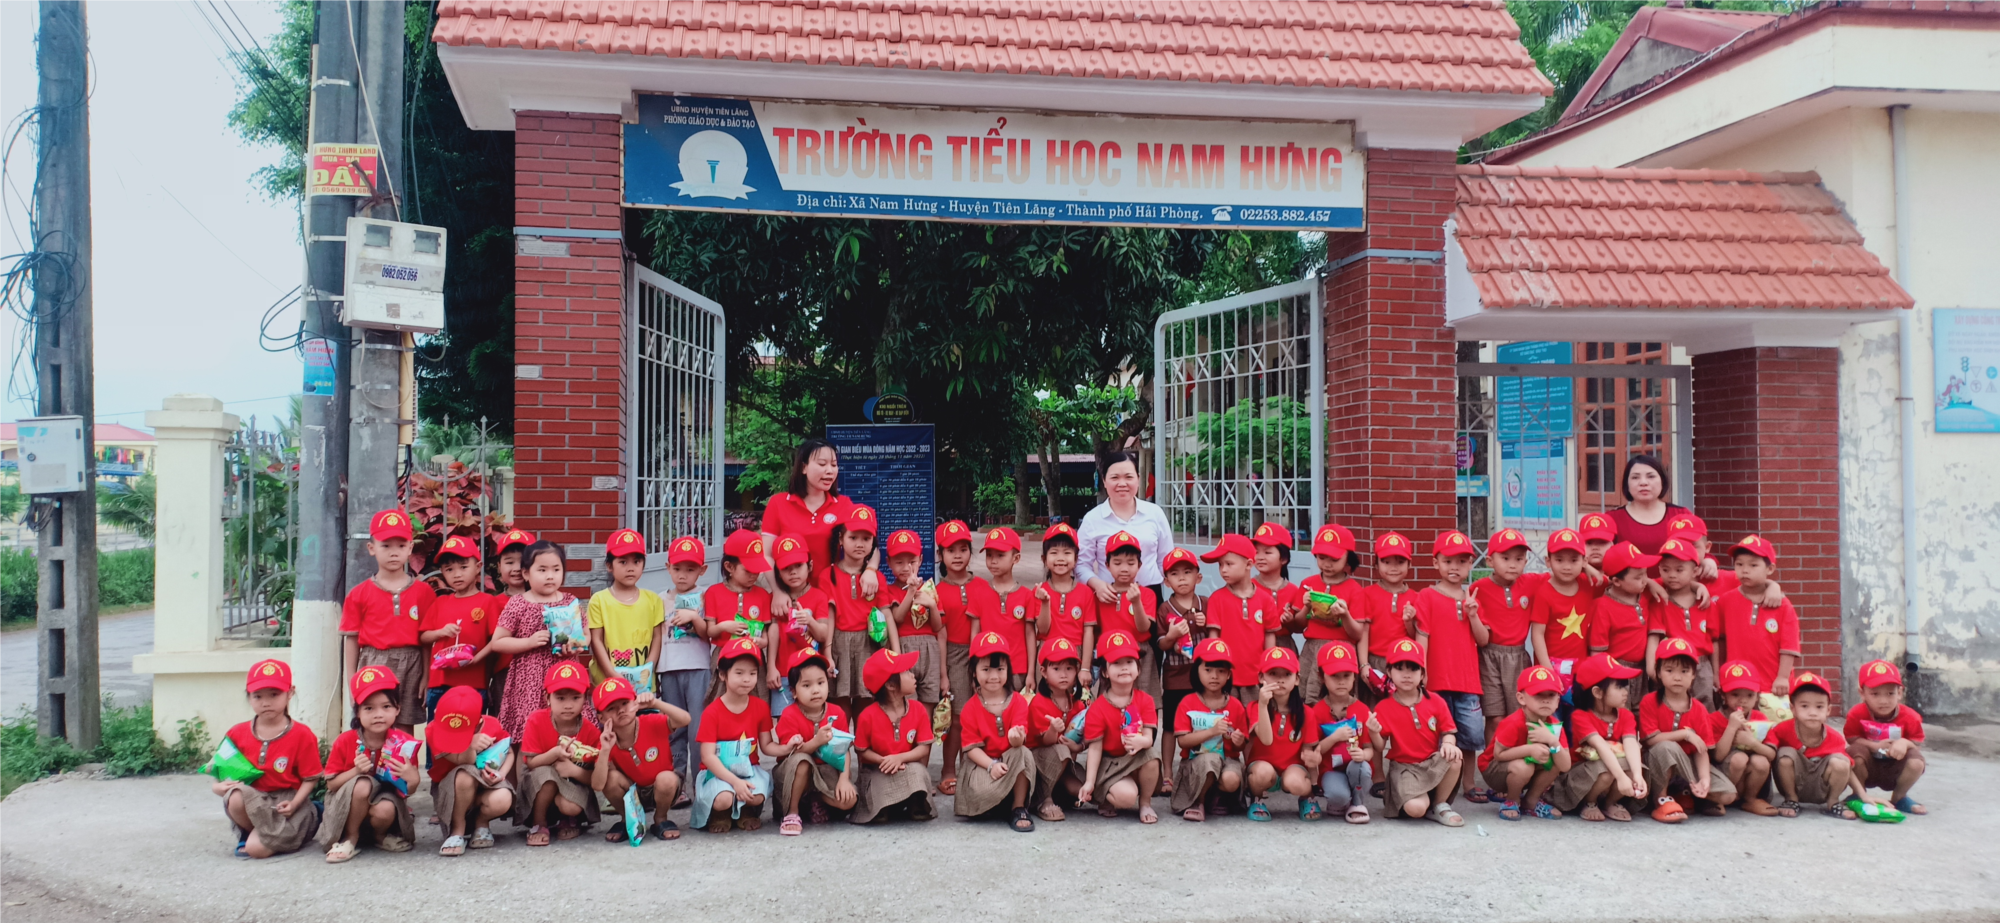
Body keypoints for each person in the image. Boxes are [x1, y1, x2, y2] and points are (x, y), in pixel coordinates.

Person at [341, 510, 436, 735]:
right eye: (386, 545)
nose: (394, 552)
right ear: (372, 548)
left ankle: (404, 761)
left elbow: (426, 640)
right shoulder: (358, 594)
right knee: (373, 725)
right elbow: (351, 639)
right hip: (374, 662)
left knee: (404, 727)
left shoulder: (424, 592)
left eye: (401, 545)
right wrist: (352, 681)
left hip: (412, 663)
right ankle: (372, 760)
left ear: (410, 548)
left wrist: (426, 675)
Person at [1412, 531, 1490, 805]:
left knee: (1470, 737)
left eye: (1461, 561)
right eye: (1448, 561)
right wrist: (1421, 672)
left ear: (1471, 564)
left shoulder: (1474, 596)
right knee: (1437, 737)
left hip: (1468, 681)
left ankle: (1468, 783)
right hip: (1437, 681)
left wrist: (1473, 614)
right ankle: (1435, 782)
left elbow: (1484, 639)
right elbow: (1422, 636)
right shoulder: (1427, 596)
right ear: (1436, 563)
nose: (1454, 567)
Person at [215, 660, 322, 859]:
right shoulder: (237, 733)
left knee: (256, 850)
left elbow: (311, 777)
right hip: (254, 800)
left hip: (287, 802)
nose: (266, 702)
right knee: (235, 797)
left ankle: (309, 818)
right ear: (249, 697)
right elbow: (220, 768)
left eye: (274, 695)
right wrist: (217, 787)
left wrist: (295, 803)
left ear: (290, 693)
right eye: (258, 696)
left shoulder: (302, 734)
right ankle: (250, 833)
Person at [319, 666, 420, 863]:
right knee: (362, 783)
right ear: (357, 712)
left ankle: (379, 836)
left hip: (379, 806)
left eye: (386, 707)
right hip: (346, 806)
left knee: (386, 809)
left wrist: (413, 779)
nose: (378, 714)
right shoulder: (345, 741)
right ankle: (350, 838)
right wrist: (356, 771)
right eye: (369, 708)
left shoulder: (404, 744)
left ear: (398, 709)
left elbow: (407, 791)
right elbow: (331, 784)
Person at [1366, 639, 1463, 826]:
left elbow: (1448, 731)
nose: (1406, 675)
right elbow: (1379, 746)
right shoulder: (1384, 707)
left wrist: (1449, 743)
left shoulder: (1436, 701)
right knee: (1416, 809)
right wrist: (1373, 732)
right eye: (1399, 668)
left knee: (1454, 757)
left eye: (1413, 669)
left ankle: (1439, 805)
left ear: (1422, 674)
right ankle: (1420, 800)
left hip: (1431, 762)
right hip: (1405, 769)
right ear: (1389, 672)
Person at [932, 520, 999, 786]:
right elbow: (940, 634)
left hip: (983, 654)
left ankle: (972, 768)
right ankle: (949, 769)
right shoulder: (936, 591)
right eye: (950, 550)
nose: (957, 555)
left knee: (982, 715)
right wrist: (943, 673)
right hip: (954, 656)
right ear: (940, 555)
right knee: (958, 718)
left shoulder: (983, 586)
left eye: (963, 549)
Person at [1638, 638, 1735, 822]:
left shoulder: (1699, 708)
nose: (1677, 677)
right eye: (1669, 670)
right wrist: (1685, 734)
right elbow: (1651, 740)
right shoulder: (1649, 701)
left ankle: (1687, 793)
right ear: (1658, 672)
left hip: (1686, 765)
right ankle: (1661, 800)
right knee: (1667, 747)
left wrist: (1705, 779)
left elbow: (1701, 750)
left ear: (1693, 675)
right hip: (1656, 763)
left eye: (1684, 671)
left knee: (1728, 794)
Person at [761, 439, 871, 600]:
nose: (830, 471)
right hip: (790, 597)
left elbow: (870, 544)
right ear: (803, 467)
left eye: (834, 465)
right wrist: (778, 592)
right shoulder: (778, 503)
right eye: (822, 464)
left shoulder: (844, 505)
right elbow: (766, 555)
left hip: (832, 596)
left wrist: (871, 570)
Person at [878, 529, 945, 786]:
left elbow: (937, 626)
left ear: (921, 559)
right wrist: (910, 593)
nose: (906, 567)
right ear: (888, 563)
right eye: (899, 562)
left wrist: (931, 604)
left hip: (929, 650)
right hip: (904, 650)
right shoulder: (889, 590)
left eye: (912, 561)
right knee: (904, 712)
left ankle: (922, 775)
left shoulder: (930, 588)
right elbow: (897, 618)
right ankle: (902, 773)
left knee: (925, 716)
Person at [589, 676, 691, 842]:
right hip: (631, 791)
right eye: (611, 708)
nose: (620, 711)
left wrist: (655, 703)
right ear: (601, 718)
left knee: (666, 778)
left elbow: (685, 719)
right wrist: (605, 751)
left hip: (661, 788)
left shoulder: (650, 721)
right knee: (611, 778)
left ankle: (661, 818)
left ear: (635, 703)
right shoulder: (606, 739)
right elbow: (598, 785)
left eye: (625, 703)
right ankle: (627, 819)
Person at [769, 649, 858, 834]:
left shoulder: (836, 712)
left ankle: (816, 798)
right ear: (793, 692)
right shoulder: (789, 715)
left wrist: (844, 779)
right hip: (794, 773)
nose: (816, 690)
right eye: (807, 685)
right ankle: (792, 812)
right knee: (802, 762)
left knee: (849, 801)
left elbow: (844, 751)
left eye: (820, 682)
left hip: (825, 772)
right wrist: (816, 741)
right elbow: (793, 754)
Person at [955, 632, 1038, 831]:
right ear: (974, 672)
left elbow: (1019, 741)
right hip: (983, 765)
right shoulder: (970, 708)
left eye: (1000, 669)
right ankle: (999, 802)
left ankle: (1018, 807)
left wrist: (1016, 738)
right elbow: (971, 748)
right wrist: (991, 765)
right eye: (986, 669)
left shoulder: (1018, 701)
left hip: (1010, 762)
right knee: (980, 793)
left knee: (1023, 753)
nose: (993, 676)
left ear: (1008, 670)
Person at [1078, 631, 1163, 823]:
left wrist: (1142, 741)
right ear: (1105, 672)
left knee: (1151, 756)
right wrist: (1090, 782)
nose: (1124, 667)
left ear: (1138, 668)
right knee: (1126, 797)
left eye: (1129, 662)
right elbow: (1095, 749)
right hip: (1110, 763)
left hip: (1135, 758)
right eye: (1116, 663)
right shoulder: (1098, 707)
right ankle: (1105, 795)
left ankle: (1146, 803)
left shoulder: (1146, 700)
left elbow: (1149, 738)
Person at [693, 638, 776, 833]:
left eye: (752, 673)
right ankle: (720, 813)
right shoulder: (712, 712)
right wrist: (735, 782)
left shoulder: (761, 707)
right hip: (716, 771)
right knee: (724, 798)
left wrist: (789, 746)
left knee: (756, 795)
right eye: (739, 673)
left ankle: (746, 811)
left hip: (749, 769)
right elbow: (707, 756)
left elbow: (767, 745)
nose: (747, 679)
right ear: (723, 675)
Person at [518, 661, 602, 844]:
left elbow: (596, 780)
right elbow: (531, 763)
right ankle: (539, 822)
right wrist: (555, 754)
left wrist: (573, 770)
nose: (568, 705)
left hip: (573, 783)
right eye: (560, 698)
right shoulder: (536, 720)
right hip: (539, 783)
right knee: (547, 775)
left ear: (585, 699)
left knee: (570, 806)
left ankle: (569, 819)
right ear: (547, 698)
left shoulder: (591, 731)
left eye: (575, 698)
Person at [850, 648, 937, 824]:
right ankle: (884, 808)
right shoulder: (867, 715)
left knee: (918, 771)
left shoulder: (918, 709)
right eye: (906, 672)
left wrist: (899, 758)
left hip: (906, 766)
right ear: (890, 685)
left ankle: (914, 804)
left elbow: (924, 747)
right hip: (879, 769)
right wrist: (884, 761)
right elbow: (861, 750)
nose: (913, 675)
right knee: (877, 782)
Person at [426, 685, 515, 856]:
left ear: (478, 724)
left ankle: (481, 824)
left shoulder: (491, 724)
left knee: (503, 798)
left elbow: (509, 751)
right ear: (437, 713)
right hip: (451, 791)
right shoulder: (434, 729)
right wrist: (470, 744)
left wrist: (501, 774)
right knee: (464, 774)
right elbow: (463, 761)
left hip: (483, 787)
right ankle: (457, 829)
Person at [1076, 452, 1176, 602]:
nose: (1122, 483)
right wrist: (1097, 585)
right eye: (1115, 477)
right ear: (1104, 481)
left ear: (1138, 479)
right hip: (1109, 595)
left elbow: (1167, 559)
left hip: (1150, 595)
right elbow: (1081, 564)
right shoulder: (1092, 519)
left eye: (1128, 477)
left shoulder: (1155, 513)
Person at [1557, 654, 1646, 822]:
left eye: (1625, 686)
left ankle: (1610, 803)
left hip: (1609, 768)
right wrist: (1621, 777)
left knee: (1632, 768)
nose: (1626, 692)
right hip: (1582, 774)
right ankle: (1589, 802)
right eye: (1619, 687)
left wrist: (1637, 775)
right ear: (1597, 692)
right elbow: (1600, 746)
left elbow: (1631, 743)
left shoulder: (1625, 715)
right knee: (1606, 773)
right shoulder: (1580, 716)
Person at [1768, 671, 1870, 819]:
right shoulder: (1781, 730)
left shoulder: (1834, 737)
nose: (1812, 713)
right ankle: (1791, 800)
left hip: (1821, 788)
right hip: (1793, 785)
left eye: (1819, 707)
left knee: (1841, 762)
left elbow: (1848, 769)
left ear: (1828, 710)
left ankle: (1833, 803)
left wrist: (1863, 796)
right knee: (1785, 754)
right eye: (1804, 706)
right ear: (1793, 709)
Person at [657, 536, 713, 800]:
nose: (683, 575)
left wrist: (694, 618)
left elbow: (709, 633)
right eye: (677, 568)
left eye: (690, 569)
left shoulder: (705, 596)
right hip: (669, 669)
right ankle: (676, 783)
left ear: (702, 570)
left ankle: (701, 782)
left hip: (698, 667)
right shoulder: (659, 599)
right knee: (674, 727)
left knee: (698, 728)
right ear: (667, 567)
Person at [1470, 528, 1542, 729]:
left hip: (1519, 656)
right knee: (1495, 717)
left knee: (1520, 714)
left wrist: (1588, 568)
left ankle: (1517, 749)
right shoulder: (1478, 588)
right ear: (1490, 561)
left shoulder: (1532, 583)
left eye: (1518, 559)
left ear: (1526, 561)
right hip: (1489, 657)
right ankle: (1492, 751)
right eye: (1505, 558)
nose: (1512, 564)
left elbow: (1562, 575)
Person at [1478, 664, 1570, 821]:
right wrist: (1529, 750)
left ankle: (1531, 801)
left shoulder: (1554, 725)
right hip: (1496, 770)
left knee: (1556, 758)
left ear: (1558, 700)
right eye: (1538, 695)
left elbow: (1565, 765)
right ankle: (1512, 800)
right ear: (1521, 698)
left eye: (1551, 695)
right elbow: (1499, 755)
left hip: (1528, 770)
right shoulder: (1513, 722)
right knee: (1523, 766)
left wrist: (1552, 741)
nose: (1546, 700)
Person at [1171, 638, 1250, 822]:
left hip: (1227, 761)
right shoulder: (1188, 702)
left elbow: (1240, 747)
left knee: (1231, 779)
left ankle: (1216, 795)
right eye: (1208, 670)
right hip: (1196, 762)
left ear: (1228, 675)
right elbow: (1182, 741)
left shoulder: (1235, 705)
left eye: (1221, 671)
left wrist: (1238, 741)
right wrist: (1212, 732)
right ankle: (1197, 802)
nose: (1214, 676)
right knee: (1210, 760)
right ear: (1197, 671)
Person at [822, 505, 890, 718]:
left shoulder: (877, 578)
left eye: (866, 539)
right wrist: (827, 653)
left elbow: (886, 614)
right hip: (839, 644)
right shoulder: (828, 575)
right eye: (853, 538)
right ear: (841, 539)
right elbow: (829, 616)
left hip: (868, 645)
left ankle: (863, 742)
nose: (860, 544)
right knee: (839, 707)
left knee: (867, 706)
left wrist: (894, 653)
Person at [419, 535, 497, 720]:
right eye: (449, 569)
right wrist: (440, 632)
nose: (457, 574)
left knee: (472, 733)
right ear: (442, 572)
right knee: (437, 733)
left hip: (474, 683)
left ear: (478, 567)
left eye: (463, 567)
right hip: (440, 683)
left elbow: (496, 641)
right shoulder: (440, 602)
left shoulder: (487, 602)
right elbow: (423, 637)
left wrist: (477, 660)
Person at [1716, 535, 1801, 696]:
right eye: (1739, 564)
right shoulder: (1725, 601)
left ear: (1770, 569)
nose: (1745, 570)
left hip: (1772, 687)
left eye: (1753, 565)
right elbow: (1720, 641)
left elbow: (1789, 647)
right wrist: (1720, 673)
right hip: (1737, 685)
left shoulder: (1783, 605)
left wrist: (1782, 677)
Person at [1245, 646, 1321, 822]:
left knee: (1295, 782)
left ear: (1297, 679)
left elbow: (1309, 751)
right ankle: (1257, 799)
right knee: (1262, 773)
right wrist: (1263, 705)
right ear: (1261, 677)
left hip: (1293, 767)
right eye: (1273, 674)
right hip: (1262, 766)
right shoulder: (1255, 707)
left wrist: (1314, 780)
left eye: (1287, 674)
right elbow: (1266, 739)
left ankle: (1307, 798)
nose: (1280, 680)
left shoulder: (1306, 712)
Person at [1844, 658, 1928, 815]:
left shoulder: (1911, 717)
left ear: (1899, 693)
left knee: (1917, 761)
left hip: (1895, 767)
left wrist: (1904, 743)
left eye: (1890, 693)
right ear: (1862, 694)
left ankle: (1899, 797)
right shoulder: (1856, 714)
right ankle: (1859, 794)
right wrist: (1874, 746)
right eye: (1875, 694)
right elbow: (1852, 738)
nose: (1883, 701)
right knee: (1852, 752)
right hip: (1868, 766)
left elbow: (1916, 743)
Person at [1200, 534, 1278, 704]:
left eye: (1229, 564)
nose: (1223, 570)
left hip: (1257, 678)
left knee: (1258, 717)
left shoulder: (1266, 600)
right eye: (1220, 565)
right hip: (1226, 678)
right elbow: (1214, 639)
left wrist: (1269, 669)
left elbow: (1270, 637)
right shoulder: (1216, 599)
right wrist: (1216, 671)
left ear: (1249, 564)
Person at [588, 529, 666, 693]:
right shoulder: (599, 600)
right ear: (609, 565)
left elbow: (657, 638)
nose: (630, 568)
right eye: (623, 562)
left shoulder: (653, 600)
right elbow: (596, 641)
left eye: (636, 561)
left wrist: (647, 671)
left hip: (643, 685)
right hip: (608, 684)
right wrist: (613, 675)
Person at [1306, 641, 1374, 824]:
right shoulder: (1317, 711)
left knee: (1361, 768)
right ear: (1322, 677)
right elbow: (1315, 751)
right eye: (1334, 676)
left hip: (1356, 767)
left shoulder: (1362, 709)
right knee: (1338, 797)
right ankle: (1342, 800)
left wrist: (1363, 755)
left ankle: (1358, 803)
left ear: (1354, 677)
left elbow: (1370, 748)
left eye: (1346, 675)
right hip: (1331, 770)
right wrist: (1334, 738)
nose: (1341, 681)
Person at [1299, 525, 1367, 704]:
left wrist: (1345, 615)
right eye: (1322, 558)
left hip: (1343, 651)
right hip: (1312, 648)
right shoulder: (1308, 584)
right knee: (1308, 697)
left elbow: (1357, 633)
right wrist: (1306, 608)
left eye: (1334, 559)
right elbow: (1297, 626)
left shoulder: (1355, 590)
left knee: (1341, 699)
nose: (1327, 564)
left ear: (1347, 558)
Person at [707, 529, 777, 703]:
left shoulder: (762, 595)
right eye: (748, 570)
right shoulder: (714, 592)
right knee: (721, 699)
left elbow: (765, 634)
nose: (754, 575)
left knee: (757, 700)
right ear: (729, 567)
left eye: (757, 570)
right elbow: (710, 631)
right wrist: (725, 626)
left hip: (754, 657)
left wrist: (762, 642)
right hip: (724, 656)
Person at [1647, 536, 1720, 702]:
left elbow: (1714, 640)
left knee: (1704, 706)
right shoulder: (1659, 601)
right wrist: (1651, 667)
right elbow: (1654, 636)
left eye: (1679, 570)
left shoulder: (1705, 602)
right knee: (1668, 705)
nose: (1672, 575)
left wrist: (1716, 674)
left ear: (1695, 571)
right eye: (1665, 570)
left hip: (1701, 666)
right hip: (1670, 665)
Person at [768, 533, 833, 712]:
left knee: (813, 717)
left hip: (812, 672)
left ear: (809, 566)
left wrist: (810, 621)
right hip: (783, 672)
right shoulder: (775, 599)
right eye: (786, 568)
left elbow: (823, 634)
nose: (793, 572)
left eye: (798, 565)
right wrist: (771, 667)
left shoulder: (819, 596)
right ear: (778, 572)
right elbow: (773, 631)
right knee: (784, 718)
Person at [1529, 528, 1600, 688]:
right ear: (1548, 561)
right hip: (1552, 665)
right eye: (1559, 560)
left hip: (1581, 668)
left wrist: (1588, 568)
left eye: (1574, 560)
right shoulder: (1544, 593)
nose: (1567, 567)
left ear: (1584, 561)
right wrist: (1547, 668)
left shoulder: (1588, 583)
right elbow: (1537, 634)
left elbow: (1610, 580)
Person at [1027, 637, 1088, 822]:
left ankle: (1059, 792)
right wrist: (1053, 730)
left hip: (1065, 763)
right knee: (1061, 750)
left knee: (1081, 790)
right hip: (1038, 760)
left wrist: (1078, 747)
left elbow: (1084, 738)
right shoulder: (1039, 702)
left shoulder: (1077, 703)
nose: (1064, 675)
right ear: (1043, 672)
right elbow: (1044, 741)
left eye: (1069, 668)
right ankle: (1044, 799)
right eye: (1056, 669)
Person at [1591, 542, 1658, 707]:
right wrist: (1604, 680)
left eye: (1645, 574)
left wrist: (1698, 585)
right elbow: (1597, 652)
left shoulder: (1645, 594)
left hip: (1643, 670)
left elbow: (1676, 582)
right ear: (1616, 581)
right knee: (1619, 713)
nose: (1645, 580)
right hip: (1616, 672)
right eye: (1638, 577)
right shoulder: (1603, 606)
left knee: (1642, 711)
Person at [1712, 660, 1781, 816]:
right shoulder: (1714, 719)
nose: (1742, 700)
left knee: (1761, 761)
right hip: (1726, 773)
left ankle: (1750, 799)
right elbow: (1718, 756)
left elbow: (1771, 754)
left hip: (1752, 780)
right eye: (1735, 694)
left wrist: (1752, 743)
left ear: (1757, 697)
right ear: (1722, 695)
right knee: (1739, 758)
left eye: (1749, 695)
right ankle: (1723, 797)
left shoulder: (1760, 718)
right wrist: (1731, 728)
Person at [1096, 530, 1159, 700]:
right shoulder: (1102, 594)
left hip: (1140, 653)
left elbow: (1144, 628)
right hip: (1110, 653)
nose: (1124, 569)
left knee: (1143, 699)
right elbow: (1095, 630)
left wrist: (1136, 602)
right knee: (1109, 702)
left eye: (1131, 563)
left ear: (1139, 565)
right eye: (1117, 563)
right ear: (1107, 565)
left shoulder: (1146, 594)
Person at [488, 528, 535, 714]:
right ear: (499, 566)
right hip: (504, 675)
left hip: (537, 671)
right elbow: (489, 648)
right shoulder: (493, 603)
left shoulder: (547, 600)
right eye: (509, 562)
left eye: (522, 562)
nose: (516, 568)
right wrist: (486, 683)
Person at [982, 527, 1037, 688]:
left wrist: (1031, 673)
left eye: (1000, 555)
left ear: (1016, 558)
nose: (993, 561)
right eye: (989, 555)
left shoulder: (1026, 595)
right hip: (988, 669)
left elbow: (1030, 634)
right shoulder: (979, 592)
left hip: (1018, 669)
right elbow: (975, 635)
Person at [1606, 454, 1689, 555]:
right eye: (1635, 477)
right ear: (1627, 483)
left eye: (1651, 476)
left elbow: (1699, 550)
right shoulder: (1611, 519)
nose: (1643, 483)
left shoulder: (1681, 515)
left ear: (1662, 480)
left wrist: (1706, 559)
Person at [1035, 522, 1096, 657]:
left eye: (1067, 553)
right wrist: (1045, 602)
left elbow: (1088, 632)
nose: (1061, 558)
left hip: (1076, 656)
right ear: (1044, 559)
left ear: (1076, 559)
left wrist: (1086, 666)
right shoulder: (1039, 591)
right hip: (1047, 656)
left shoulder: (1086, 592)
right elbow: (1043, 630)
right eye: (1054, 552)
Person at [1363, 532, 1419, 673]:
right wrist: (1364, 664)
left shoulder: (1416, 597)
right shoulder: (1366, 594)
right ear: (1376, 564)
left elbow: (1416, 637)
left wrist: (1409, 622)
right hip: (1374, 661)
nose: (1393, 568)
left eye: (1400, 562)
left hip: (1404, 663)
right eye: (1386, 562)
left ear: (1410, 564)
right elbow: (1363, 632)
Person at [1251, 522, 1305, 657]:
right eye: (1256, 552)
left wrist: (1290, 621)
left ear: (1284, 559)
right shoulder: (1249, 587)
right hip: (1255, 646)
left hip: (1285, 648)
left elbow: (1299, 628)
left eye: (1267, 552)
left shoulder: (1293, 590)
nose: (1260, 557)